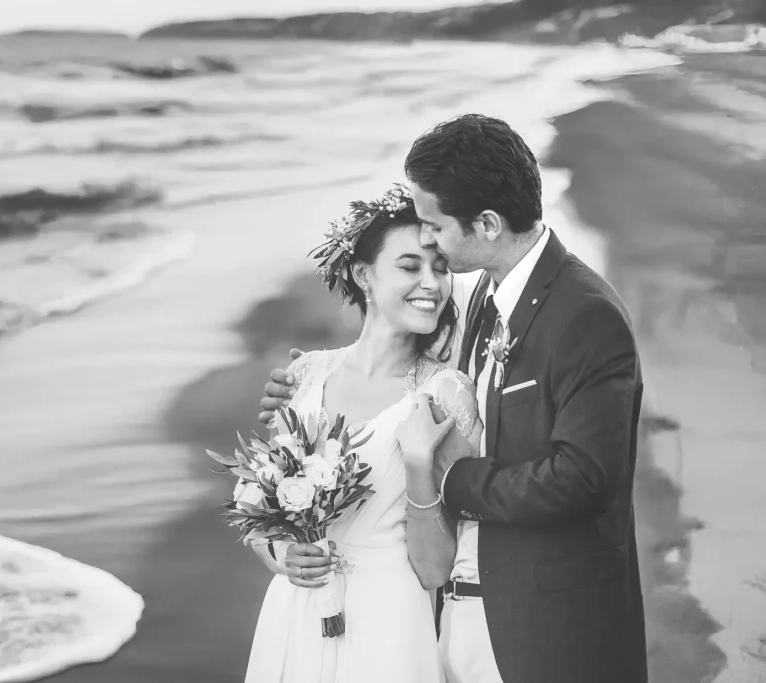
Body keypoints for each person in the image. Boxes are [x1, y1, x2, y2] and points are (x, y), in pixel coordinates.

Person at [260, 114, 647, 683]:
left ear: (487, 223)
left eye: (436, 230)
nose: (431, 248)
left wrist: (448, 478)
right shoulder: (485, 297)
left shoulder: (585, 314)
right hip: (452, 618)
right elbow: (399, 315)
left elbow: (585, 478)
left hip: (545, 623)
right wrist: (307, 383)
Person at [244, 185, 479, 683]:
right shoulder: (306, 375)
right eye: (410, 266)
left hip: (389, 625)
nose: (432, 283)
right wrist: (282, 557)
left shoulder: (447, 394)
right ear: (362, 274)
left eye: (440, 268)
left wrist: (417, 465)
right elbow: (257, 504)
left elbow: (437, 570)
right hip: (298, 612)